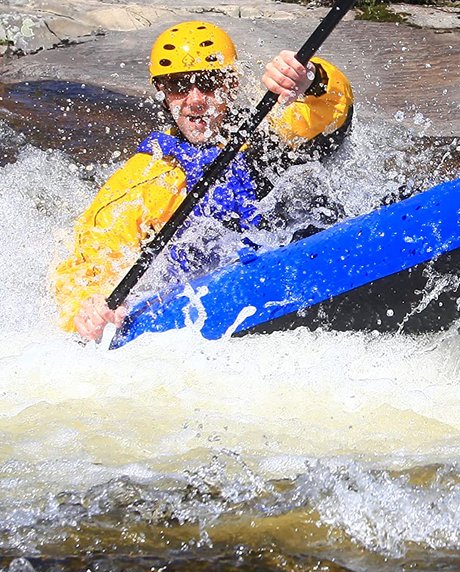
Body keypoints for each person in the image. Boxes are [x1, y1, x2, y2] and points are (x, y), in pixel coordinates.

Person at [53, 20, 354, 341]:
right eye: (178, 85)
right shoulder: (143, 179)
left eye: (209, 83)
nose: (195, 100)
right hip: (210, 299)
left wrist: (308, 78)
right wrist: (87, 307)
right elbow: (85, 263)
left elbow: (334, 114)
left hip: (292, 259)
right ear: (162, 94)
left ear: (231, 85)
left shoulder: (266, 129)